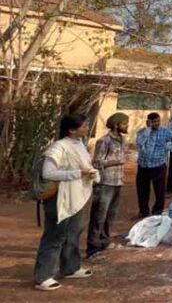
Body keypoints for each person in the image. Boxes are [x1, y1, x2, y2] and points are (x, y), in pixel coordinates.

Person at [34, 114, 99, 291]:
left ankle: (70, 267)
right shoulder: (59, 147)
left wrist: (90, 173)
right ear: (71, 130)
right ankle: (43, 276)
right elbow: (48, 173)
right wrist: (77, 173)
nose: (86, 128)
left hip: (78, 196)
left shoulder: (79, 145)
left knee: (73, 233)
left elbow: (84, 167)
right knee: (55, 236)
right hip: (60, 198)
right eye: (83, 126)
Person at [86, 113, 128, 259]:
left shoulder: (122, 140)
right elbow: (96, 162)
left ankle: (104, 241)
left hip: (117, 182)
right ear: (116, 125)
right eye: (124, 124)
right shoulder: (104, 141)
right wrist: (116, 161)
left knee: (110, 216)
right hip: (105, 183)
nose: (127, 126)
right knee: (98, 216)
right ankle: (92, 248)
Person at [136, 112, 172, 218]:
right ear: (148, 122)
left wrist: (168, 147)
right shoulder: (142, 132)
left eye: (158, 121)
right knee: (142, 191)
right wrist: (148, 130)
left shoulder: (165, 131)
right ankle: (144, 212)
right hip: (143, 166)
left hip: (159, 165)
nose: (156, 123)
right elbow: (139, 143)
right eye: (153, 122)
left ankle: (157, 212)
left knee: (159, 191)